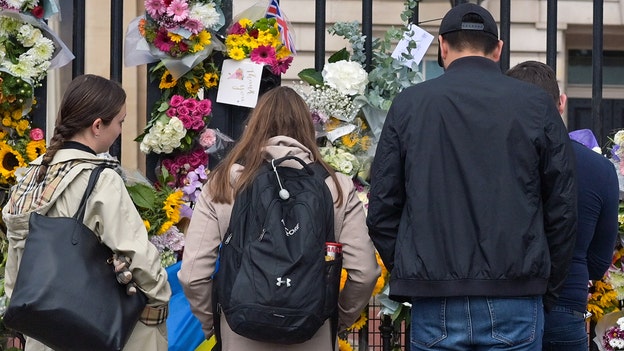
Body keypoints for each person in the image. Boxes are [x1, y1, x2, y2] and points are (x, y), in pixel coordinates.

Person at [366, 3, 578, 350]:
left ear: (443, 47)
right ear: (498, 49)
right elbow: (563, 207)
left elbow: (382, 209)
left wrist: (416, 268)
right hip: (516, 293)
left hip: (436, 298)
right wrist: (545, 285)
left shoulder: (409, 105)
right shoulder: (536, 105)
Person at [178, 86, 380, 350]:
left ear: (254, 125)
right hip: (312, 333)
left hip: (240, 333)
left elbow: (193, 275)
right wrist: (335, 319)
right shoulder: (335, 186)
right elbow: (365, 272)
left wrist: (215, 323)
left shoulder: (224, 183)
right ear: (307, 128)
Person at [2, 74, 171, 351]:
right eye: (120, 122)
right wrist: (160, 297)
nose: (119, 131)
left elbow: (16, 259)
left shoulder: (30, 175)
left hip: (41, 329)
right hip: (91, 326)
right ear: (97, 126)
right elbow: (138, 257)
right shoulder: (99, 179)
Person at [507, 60, 619, 350]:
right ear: (561, 102)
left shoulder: (492, 160)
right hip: (566, 304)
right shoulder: (599, 169)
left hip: (503, 303)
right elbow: (597, 264)